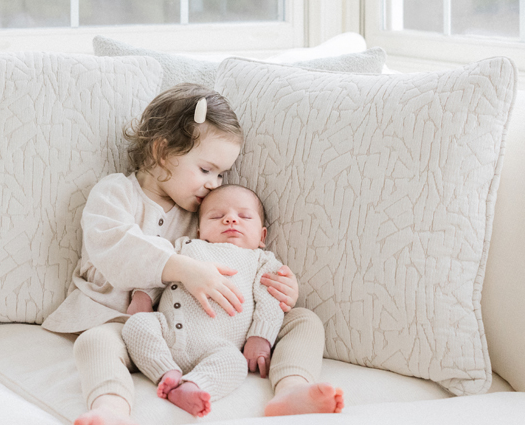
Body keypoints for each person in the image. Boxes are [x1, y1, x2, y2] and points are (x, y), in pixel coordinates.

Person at [41, 84, 343, 425]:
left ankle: (291, 388)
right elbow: (114, 245)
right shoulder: (116, 194)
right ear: (161, 152)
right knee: (94, 343)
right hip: (122, 323)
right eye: (206, 170)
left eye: (221, 175)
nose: (215, 185)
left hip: (208, 331)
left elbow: (240, 264)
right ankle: (111, 406)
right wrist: (182, 269)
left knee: (305, 321)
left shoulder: (201, 216)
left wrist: (282, 289)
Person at [123, 184, 343, 418]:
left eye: (244, 216)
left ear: (262, 236)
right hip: (165, 331)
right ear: (199, 230)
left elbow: (271, 299)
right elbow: (159, 269)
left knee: (235, 364)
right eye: (217, 216)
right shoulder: (186, 247)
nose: (230, 220)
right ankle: (165, 373)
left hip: (219, 346)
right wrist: (142, 296)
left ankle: (192, 387)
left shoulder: (262, 260)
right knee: (136, 325)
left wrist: (260, 337)